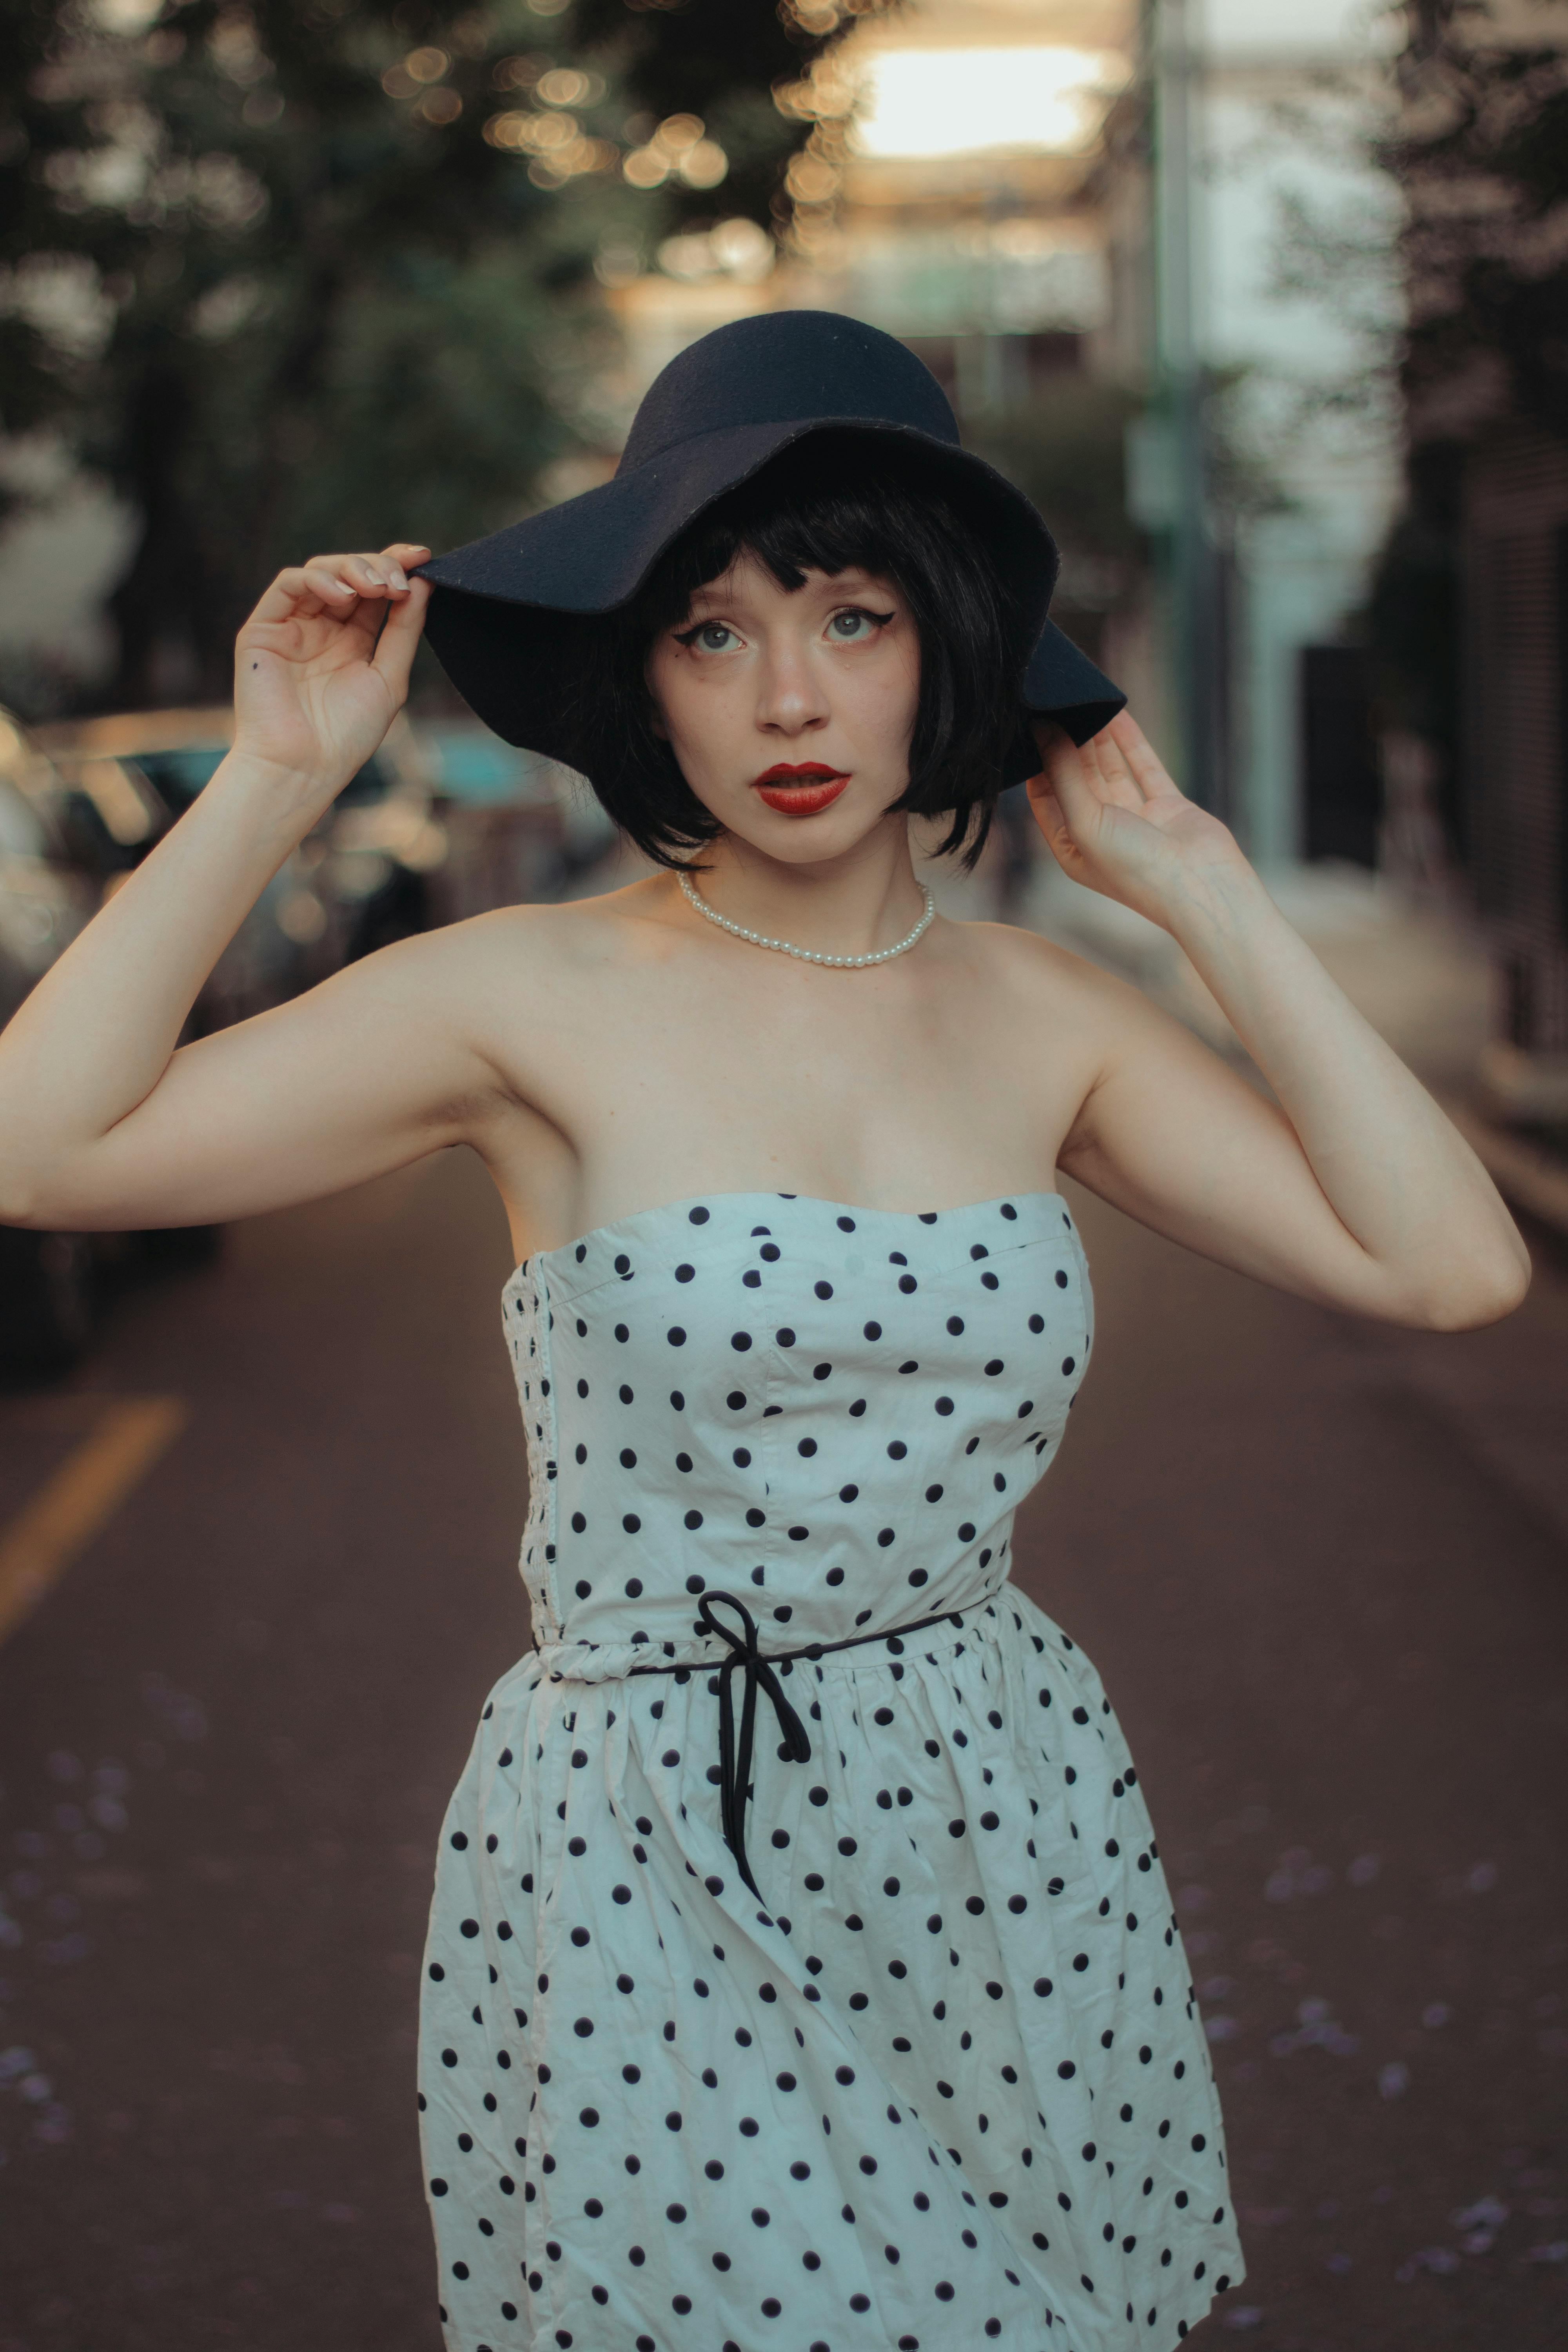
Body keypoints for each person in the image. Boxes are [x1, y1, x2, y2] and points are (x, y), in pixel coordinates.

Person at [0, 314, 1527, 2352]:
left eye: (854, 616)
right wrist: (275, 783)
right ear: (642, 672)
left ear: (946, 648)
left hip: (1002, 1814)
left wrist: (1210, 897)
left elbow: (1452, 1269)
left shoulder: (1049, 1020)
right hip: (655, 1834)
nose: (789, 694)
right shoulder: (521, 996)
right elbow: (38, 1151)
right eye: (712, 632)